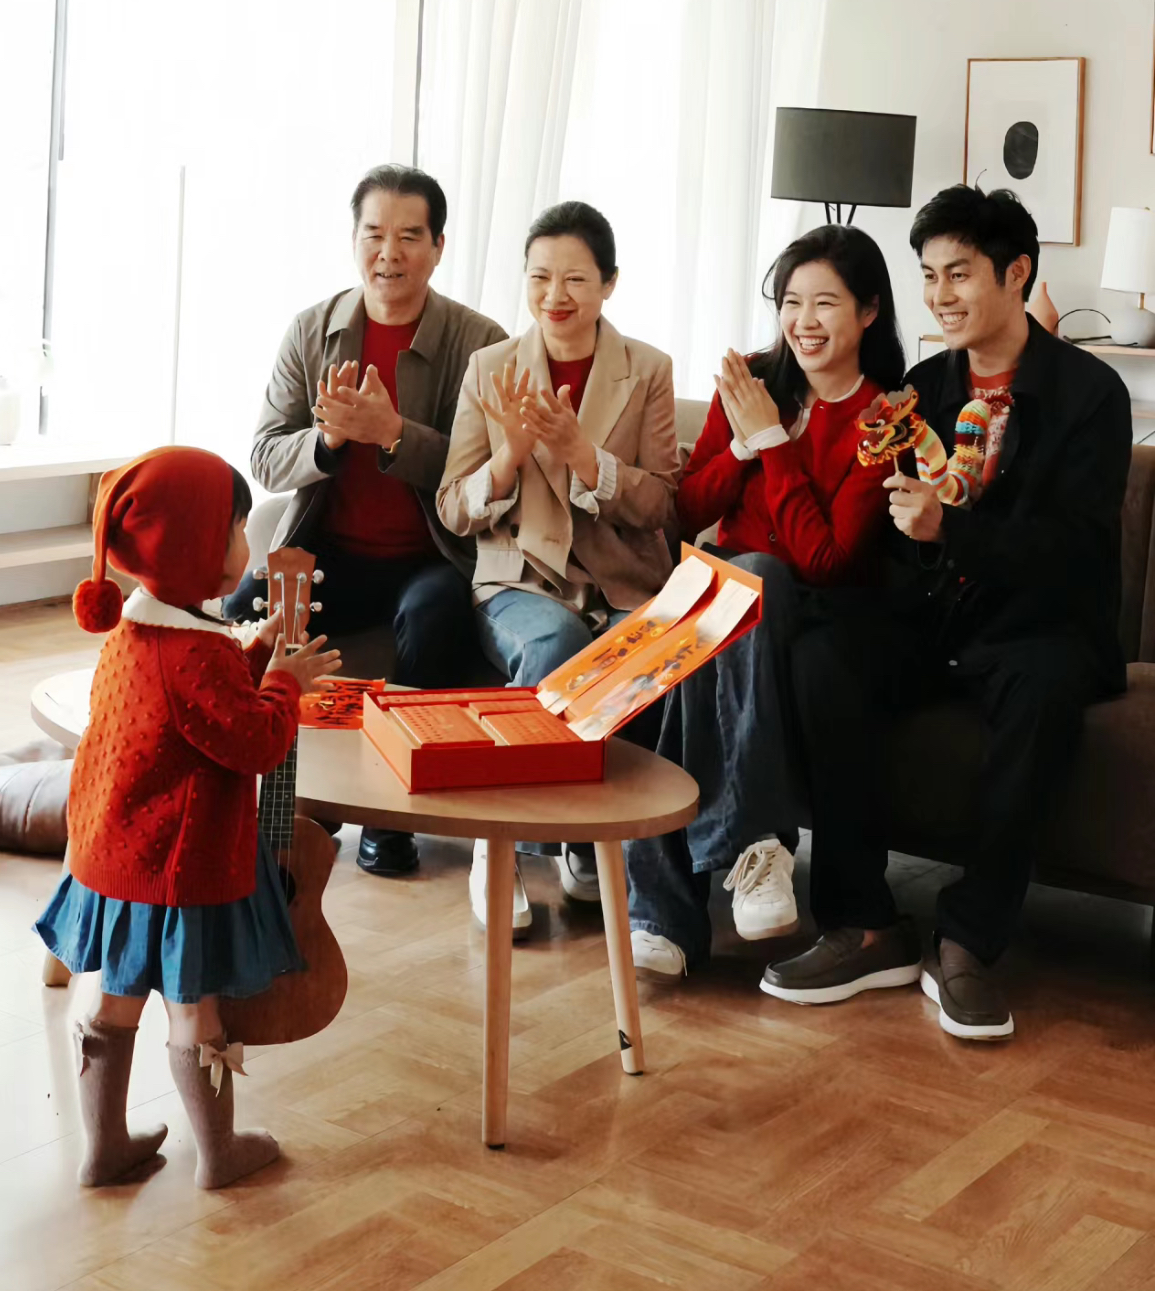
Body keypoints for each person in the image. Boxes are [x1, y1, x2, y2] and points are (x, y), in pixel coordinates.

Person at [762, 185, 1133, 1040]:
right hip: (939, 619)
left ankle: (967, 940)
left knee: (1040, 691)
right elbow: (897, 539)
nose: (939, 295)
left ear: (1017, 272)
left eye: (958, 274)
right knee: (824, 655)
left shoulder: (1089, 393)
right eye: (929, 276)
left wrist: (952, 529)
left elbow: (1075, 548)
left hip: (1044, 625)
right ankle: (864, 924)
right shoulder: (922, 388)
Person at [35, 447, 342, 1188]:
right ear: (197, 545)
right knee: (195, 1012)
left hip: (117, 862)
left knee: (114, 1003)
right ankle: (220, 1151)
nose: (246, 542)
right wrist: (283, 684)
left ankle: (104, 1148)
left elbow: (198, 707)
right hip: (180, 872)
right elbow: (253, 741)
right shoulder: (192, 657)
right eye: (236, 527)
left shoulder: (140, 634)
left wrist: (257, 649)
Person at [624, 224, 906, 983]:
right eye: (790, 302)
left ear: (869, 311)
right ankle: (733, 867)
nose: (803, 321)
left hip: (815, 605)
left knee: (753, 577)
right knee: (678, 652)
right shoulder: (750, 381)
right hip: (724, 598)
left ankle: (679, 903)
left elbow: (828, 559)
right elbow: (688, 511)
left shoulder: (883, 418)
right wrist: (745, 442)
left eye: (825, 303)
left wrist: (774, 445)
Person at [224, 165, 506, 879]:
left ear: (438, 247)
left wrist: (393, 434)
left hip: (433, 555)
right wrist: (326, 442)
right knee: (241, 611)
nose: (390, 253)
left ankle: (390, 818)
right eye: (374, 234)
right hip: (331, 552)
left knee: (434, 617)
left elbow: (488, 474)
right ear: (354, 240)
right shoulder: (312, 329)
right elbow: (264, 454)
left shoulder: (480, 341)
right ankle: (248, 796)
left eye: (410, 236)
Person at [438, 201, 679, 933]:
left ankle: (589, 841)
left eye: (575, 278)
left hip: (623, 581)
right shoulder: (490, 368)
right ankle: (500, 847)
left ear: (609, 283)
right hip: (519, 579)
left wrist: (584, 455)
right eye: (540, 276)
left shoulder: (648, 370)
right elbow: (452, 506)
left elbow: (663, 504)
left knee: (650, 658)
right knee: (556, 645)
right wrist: (507, 458)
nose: (555, 295)